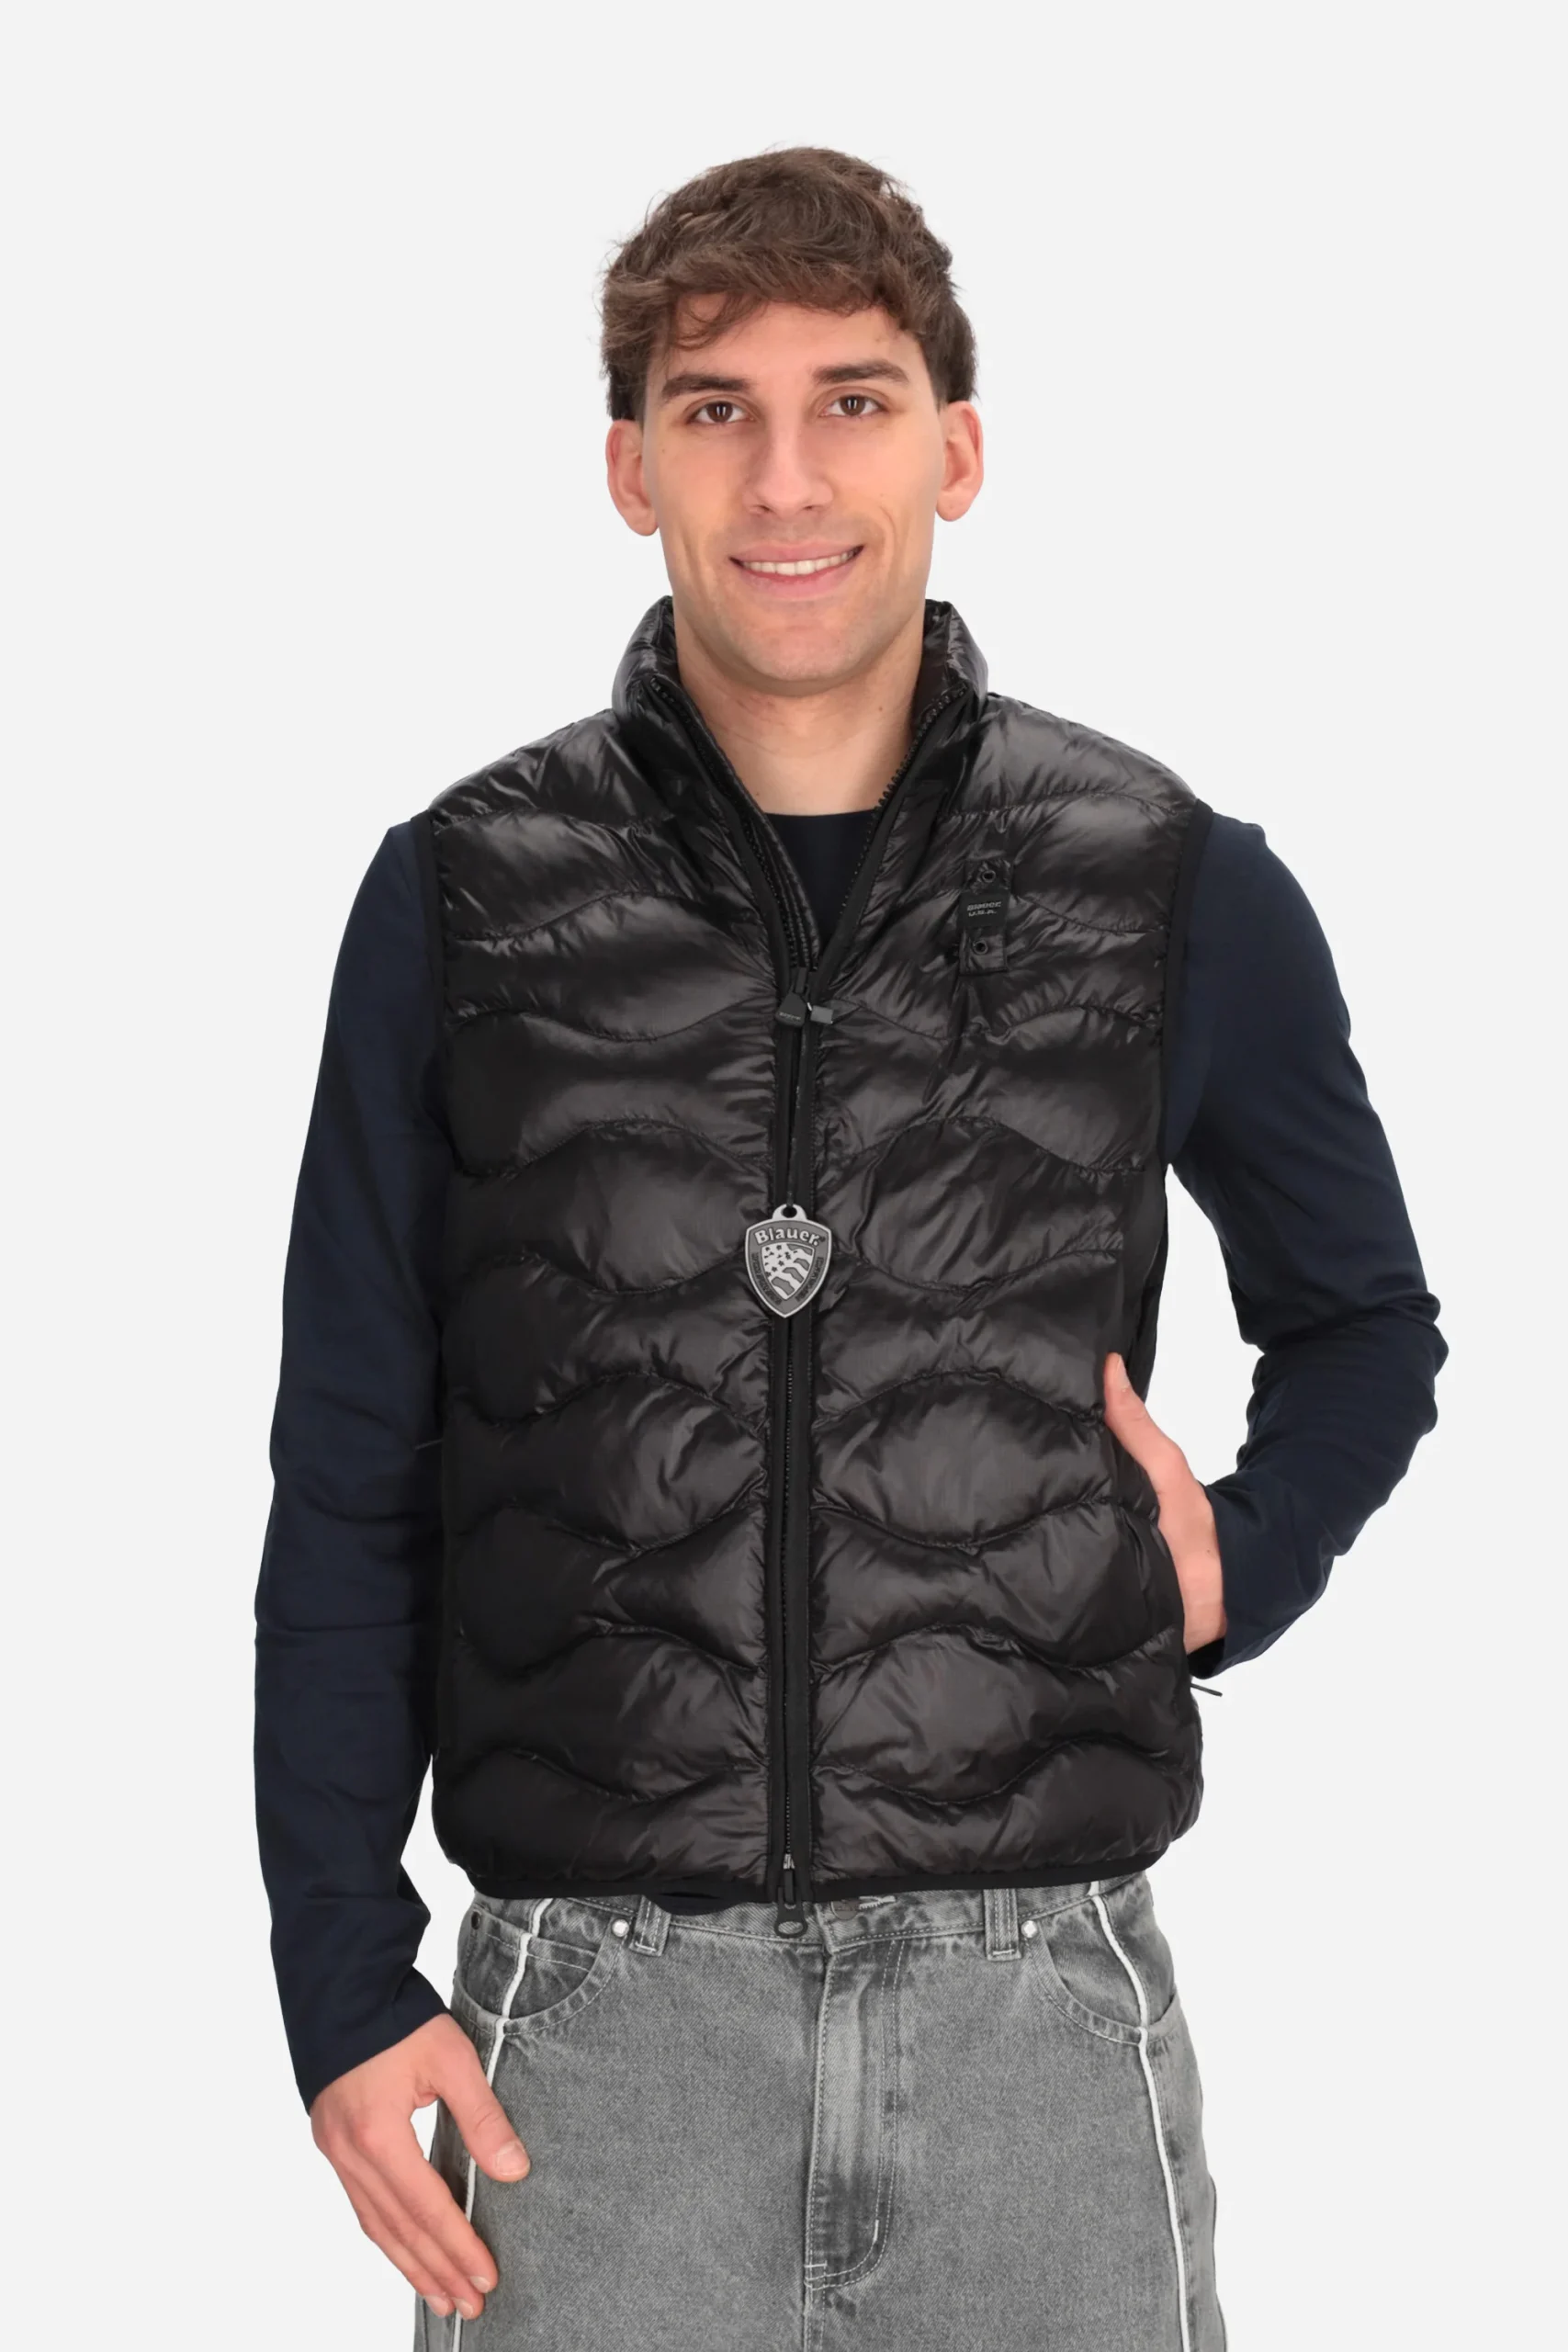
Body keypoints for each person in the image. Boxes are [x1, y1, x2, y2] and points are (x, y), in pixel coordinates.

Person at [254, 148, 1446, 2349]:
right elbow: (350, 1461)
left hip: (1038, 2026)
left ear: (954, 452)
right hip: (591, 2035)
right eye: (716, 409)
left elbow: (1364, 1319)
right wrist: (341, 1969)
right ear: (631, 467)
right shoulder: (463, 897)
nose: (787, 478)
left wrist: (1242, 1558)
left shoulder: (1166, 882)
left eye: (854, 402)